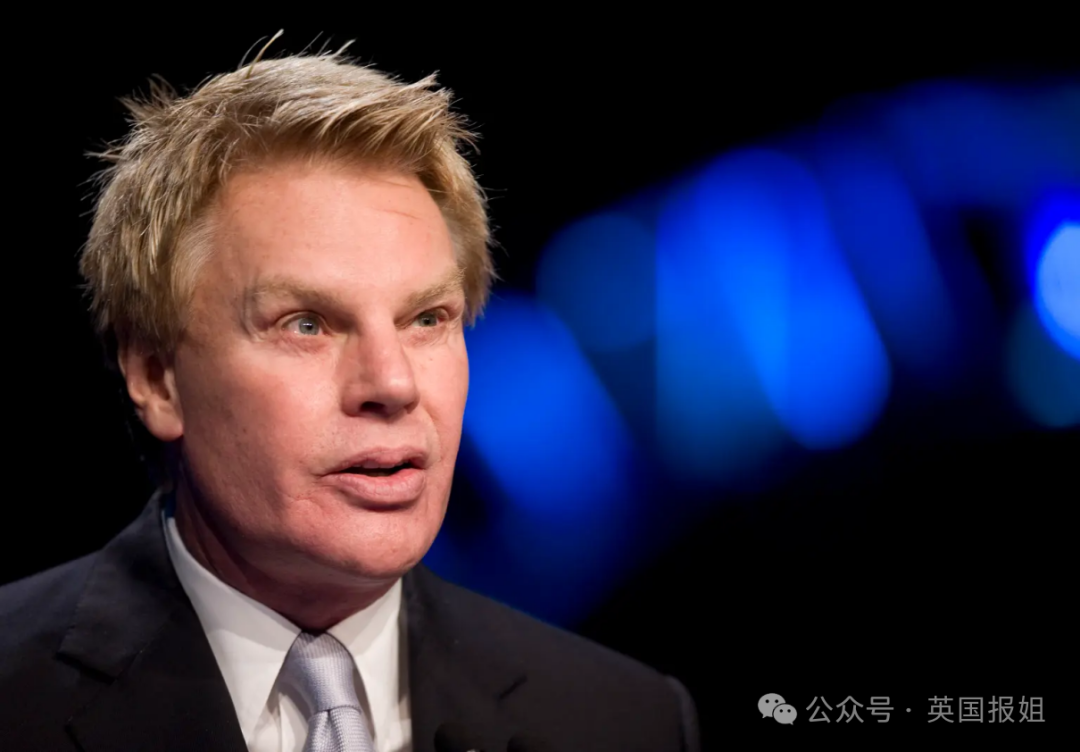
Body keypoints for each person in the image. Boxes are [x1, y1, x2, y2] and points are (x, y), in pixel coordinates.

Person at [0, 50, 699, 752]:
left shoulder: (626, 722)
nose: (393, 385)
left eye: (426, 319)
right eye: (306, 325)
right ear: (158, 379)